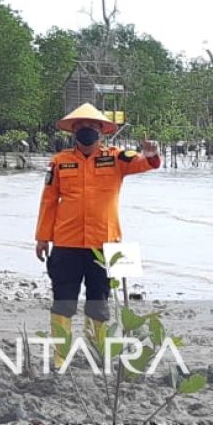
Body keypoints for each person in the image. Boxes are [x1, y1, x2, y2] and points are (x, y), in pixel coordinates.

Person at [35, 103, 160, 365]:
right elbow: (48, 201)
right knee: (63, 301)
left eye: (91, 127)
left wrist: (151, 155)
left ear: (101, 131)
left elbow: (143, 163)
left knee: (99, 301)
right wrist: (42, 237)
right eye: (81, 127)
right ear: (73, 131)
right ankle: (60, 357)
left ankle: (98, 353)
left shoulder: (116, 158)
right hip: (66, 243)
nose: (86, 131)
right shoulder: (59, 162)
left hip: (104, 245)